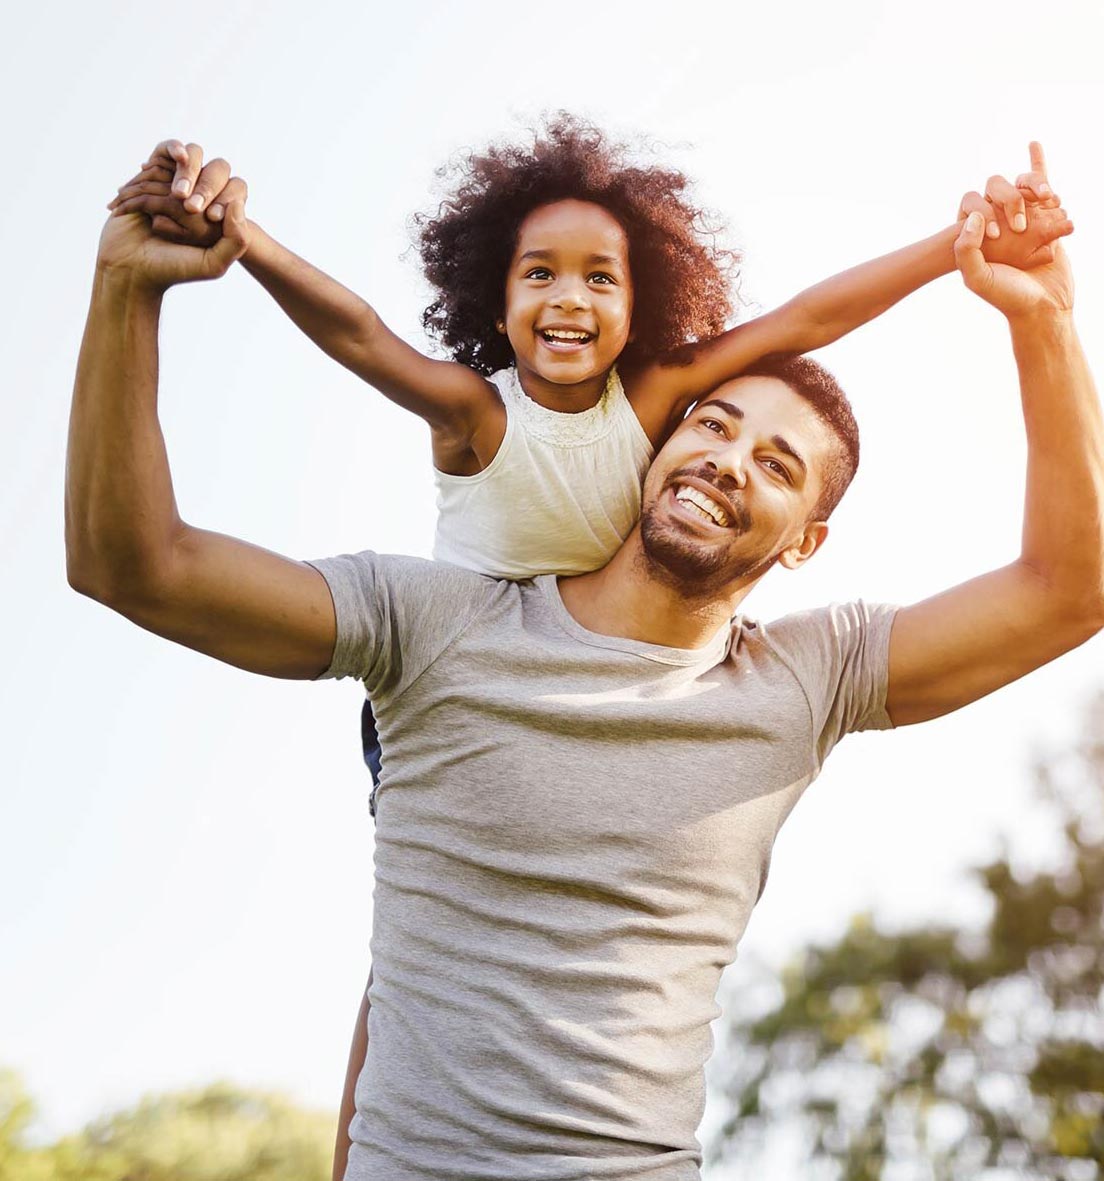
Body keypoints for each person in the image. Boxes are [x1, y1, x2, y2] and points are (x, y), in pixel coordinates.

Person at [67, 148, 1103, 1180]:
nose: (726, 460)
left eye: (776, 465)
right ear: (658, 440)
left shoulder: (805, 678)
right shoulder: (433, 624)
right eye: (713, 423)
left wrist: (1043, 318)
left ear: (805, 543)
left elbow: (1072, 588)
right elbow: (134, 563)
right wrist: (128, 290)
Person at [108, 122, 1068, 797]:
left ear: (636, 311)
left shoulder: (652, 398)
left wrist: (957, 247)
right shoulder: (474, 413)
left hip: (599, 676)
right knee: (413, 936)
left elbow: (804, 320)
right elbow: (360, 334)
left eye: (599, 278)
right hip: (458, 683)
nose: (569, 299)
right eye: (540, 275)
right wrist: (249, 244)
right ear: (497, 305)